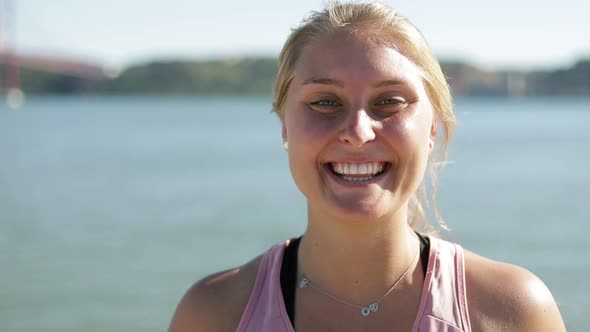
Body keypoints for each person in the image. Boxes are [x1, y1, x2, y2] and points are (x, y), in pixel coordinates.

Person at [168, 2, 566, 331]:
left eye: (389, 102)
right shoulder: (213, 314)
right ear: (285, 125)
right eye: (325, 102)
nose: (357, 132)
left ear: (432, 128)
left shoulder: (513, 311)